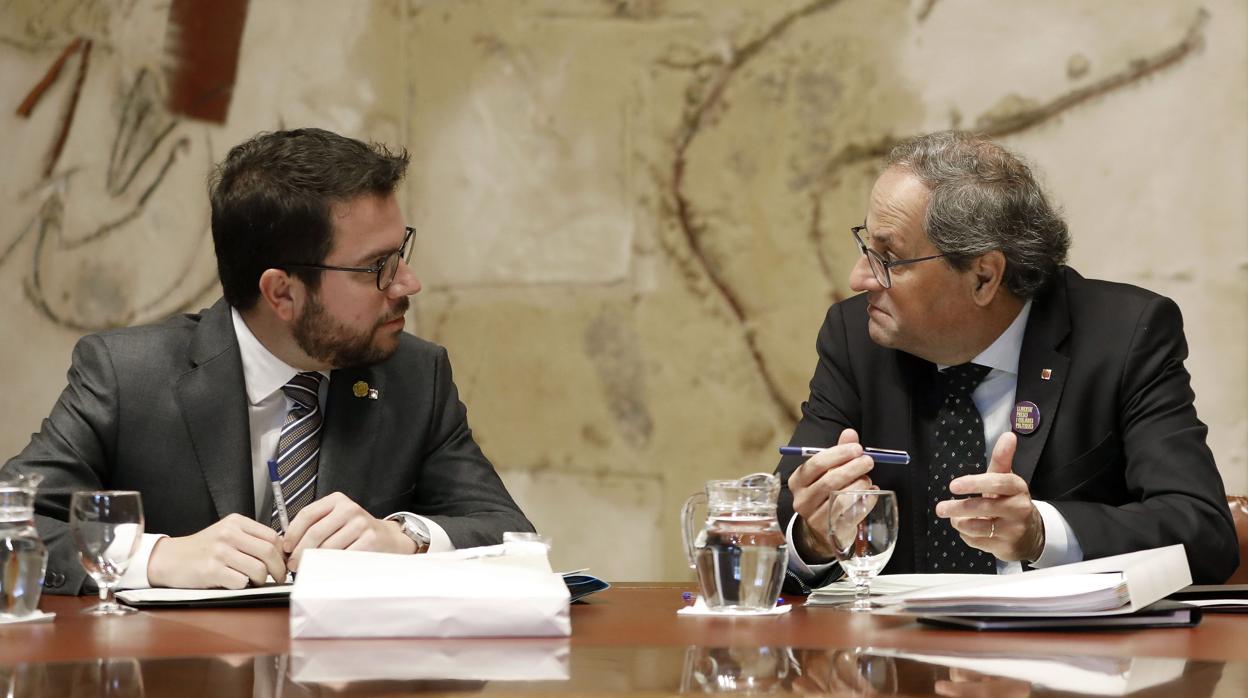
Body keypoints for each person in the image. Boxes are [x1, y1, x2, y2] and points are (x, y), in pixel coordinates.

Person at [6, 128, 534, 594]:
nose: (407, 283)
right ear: (282, 292)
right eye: (377, 266)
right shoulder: (128, 376)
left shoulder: (414, 377)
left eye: (402, 253)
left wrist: (404, 538)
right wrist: (156, 556)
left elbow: (508, 535)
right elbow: (11, 527)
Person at [777, 130, 1237, 590]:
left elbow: (1203, 534)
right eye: (866, 248)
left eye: (889, 258)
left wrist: (1041, 533)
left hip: (1066, 655)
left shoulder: (1122, 336)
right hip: (898, 652)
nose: (860, 279)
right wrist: (816, 539)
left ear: (983, 276)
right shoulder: (857, 338)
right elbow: (778, 528)